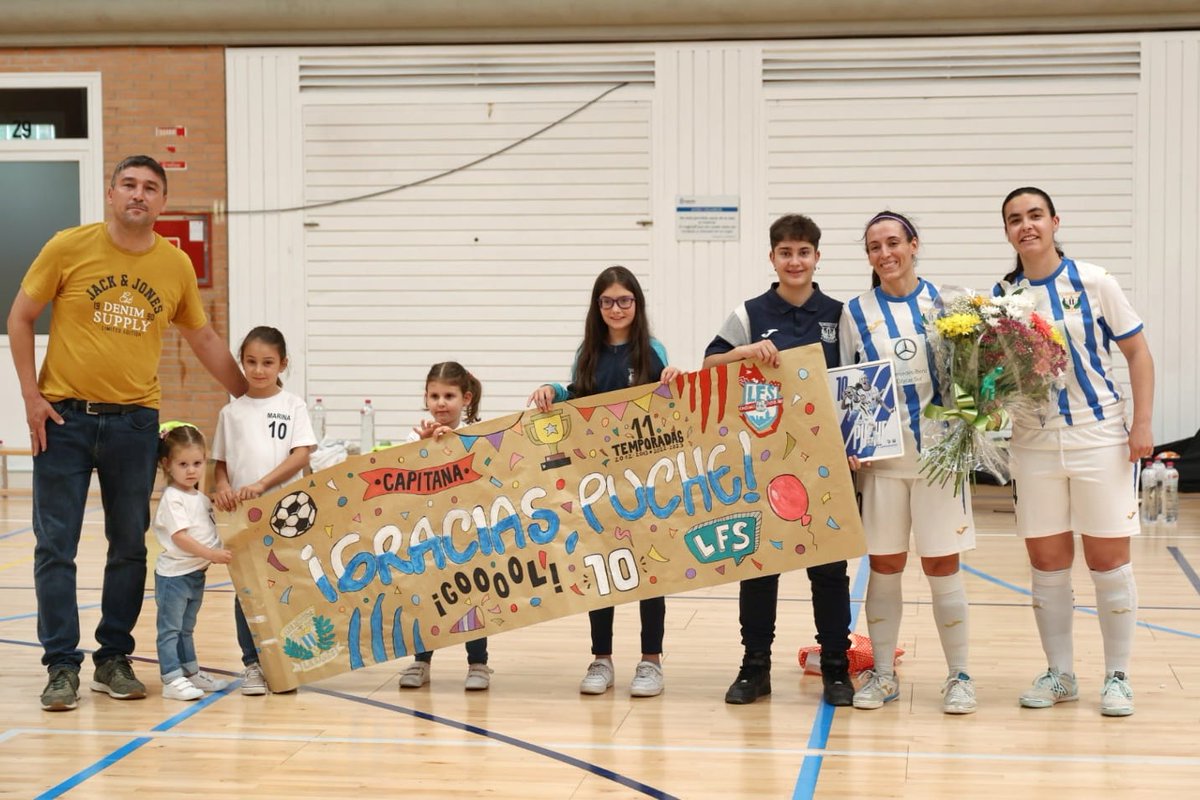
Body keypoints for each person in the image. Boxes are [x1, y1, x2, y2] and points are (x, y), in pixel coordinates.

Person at [7, 155, 247, 712]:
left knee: (129, 548)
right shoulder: (69, 246)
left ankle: (113, 657)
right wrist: (30, 396)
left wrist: (250, 394)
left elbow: (204, 338)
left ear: (162, 203)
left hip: (135, 423)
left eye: (151, 188)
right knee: (55, 547)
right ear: (111, 193)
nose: (139, 195)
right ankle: (61, 666)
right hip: (64, 418)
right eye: (129, 185)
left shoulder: (175, 266)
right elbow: (21, 317)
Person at [998, 187, 1153, 717]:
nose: (1027, 226)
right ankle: (1061, 673)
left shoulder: (1095, 281)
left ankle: (1118, 676)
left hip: (1099, 435)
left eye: (1035, 215)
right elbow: (997, 374)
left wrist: (1142, 424)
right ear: (1008, 231)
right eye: (1015, 219)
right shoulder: (1001, 296)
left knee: (1107, 560)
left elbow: (1138, 353)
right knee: (1047, 561)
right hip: (1033, 442)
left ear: (1055, 221)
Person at [701, 213, 854, 707]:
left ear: (816, 257)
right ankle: (755, 668)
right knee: (760, 566)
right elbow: (708, 367)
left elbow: (857, 383)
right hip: (763, 463)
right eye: (785, 252)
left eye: (803, 252)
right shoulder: (747, 313)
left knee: (829, 572)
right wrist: (744, 351)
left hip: (825, 463)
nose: (795, 261)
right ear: (772, 258)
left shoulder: (838, 314)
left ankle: (836, 667)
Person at [838, 211, 978, 715]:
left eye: (893, 242)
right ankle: (881, 673)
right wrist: (852, 439)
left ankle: (959, 675)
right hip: (883, 461)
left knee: (943, 565)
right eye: (874, 247)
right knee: (884, 565)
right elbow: (851, 384)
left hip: (941, 457)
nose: (884, 254)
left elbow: (973, 377)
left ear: (914, 244)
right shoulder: (855, 311)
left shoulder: (950, 302)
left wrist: (978, 410)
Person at [528, 266, 681, 698]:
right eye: (608, 301)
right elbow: (577, 397)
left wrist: (673, 380)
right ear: (598, 307)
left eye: (624, 301)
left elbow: (666, 409)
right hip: (599, 483)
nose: (616, 309)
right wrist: (553, 389)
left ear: (637, 305)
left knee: (651, 571)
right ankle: (602, 659)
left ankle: (651, 661)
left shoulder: (651, 351)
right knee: (603, 570)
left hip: (646, 482)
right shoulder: (588, 351)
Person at [212, 326, 316, 695]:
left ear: (283, 364)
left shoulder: (293, 406)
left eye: (267, 363)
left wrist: (263, 485)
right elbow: (220, 463)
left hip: (287, 513)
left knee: (287, 587)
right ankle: (252, 664)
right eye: (251, 362)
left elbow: (302, 454)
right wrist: (223, 486)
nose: (258, 370)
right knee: (247, 591)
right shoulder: (231, 412)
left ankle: (288, 660)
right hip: (243, 517)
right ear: (242, 363)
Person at [396, 362, 495, 691]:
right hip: (428, 535)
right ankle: (421, 661)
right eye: (434, 395)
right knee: (427, 597)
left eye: (449, 396)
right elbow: (400, 476)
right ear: (425, 397)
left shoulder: (475, 435)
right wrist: (421, 446)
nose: (441, 403)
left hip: (467, 533)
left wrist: (455, 443)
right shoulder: (414, 436)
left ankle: (478, 662)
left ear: (465, 398)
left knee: (473, 594)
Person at [152, 422, 234, 701]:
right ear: (167, 464)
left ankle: (191, 671)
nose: (191, 470)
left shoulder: (199, 498)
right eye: (183, 463)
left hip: (195, 574)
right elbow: (181, 538)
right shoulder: (173, 499)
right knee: (170, 630)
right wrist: (212, 555)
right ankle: (171, 678)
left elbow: (210, 530)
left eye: (197, 463)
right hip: (175, 577)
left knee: (186, 629)